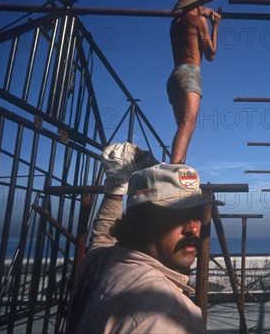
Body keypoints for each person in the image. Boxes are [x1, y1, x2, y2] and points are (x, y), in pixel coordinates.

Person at [66, 143, 223, 333]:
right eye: (175, 216)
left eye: (197, 214)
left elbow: (102, 239)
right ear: (142, 221)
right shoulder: (167, 317)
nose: (193, 228)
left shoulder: (101, 263)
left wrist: (115, 190)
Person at [167, 0, 221, 164]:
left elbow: (192, 13)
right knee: (188, 123)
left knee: (183, 127)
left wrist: (205, 12)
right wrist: (215, 26)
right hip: (190, 73)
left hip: (174, 76)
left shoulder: (176, 22)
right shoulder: (199, 22)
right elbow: (211, 54)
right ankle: (173, 169)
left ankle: (179, 169)